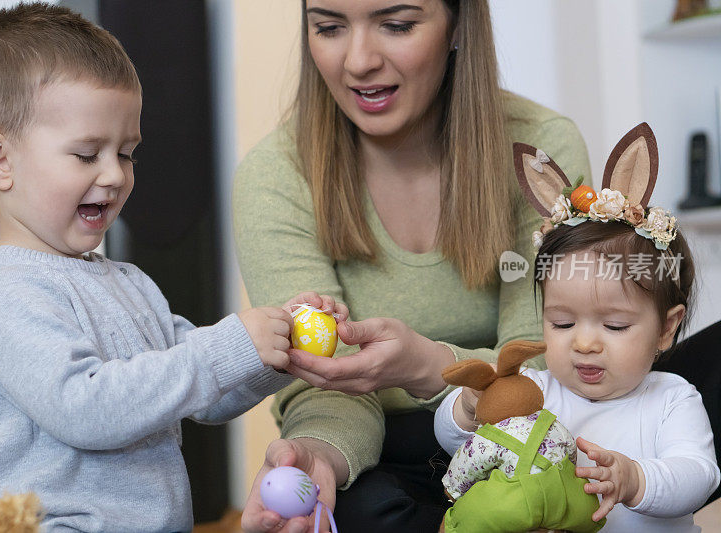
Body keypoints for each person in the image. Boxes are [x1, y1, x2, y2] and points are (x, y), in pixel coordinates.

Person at [0, 4, 346, 532]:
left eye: (128, 153)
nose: (115, 174)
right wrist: (224, 349)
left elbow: (201, 392)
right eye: (88, 154)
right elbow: (84, 407)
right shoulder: (6, 289)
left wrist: (274, 348)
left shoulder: (128, 282)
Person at [233, 0, 590, 531]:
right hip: (381, 453)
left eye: (396, 25)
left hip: (526, 432)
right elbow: (320, 381)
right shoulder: (274, 177)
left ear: (457, 25)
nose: (358, 61)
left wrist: (427, 366)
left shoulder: (540, 152)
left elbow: (546, 368)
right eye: (328, 28)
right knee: (368, 509)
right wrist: (319, 456)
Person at [434, 130, 721, 531]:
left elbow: (698, 475)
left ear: (666, 328)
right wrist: (467, 409)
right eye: (562, 323)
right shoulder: (535, 392)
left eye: (615, 325)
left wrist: (636, 480)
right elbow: (463, 447)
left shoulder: (671, 399)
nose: (584, 343)